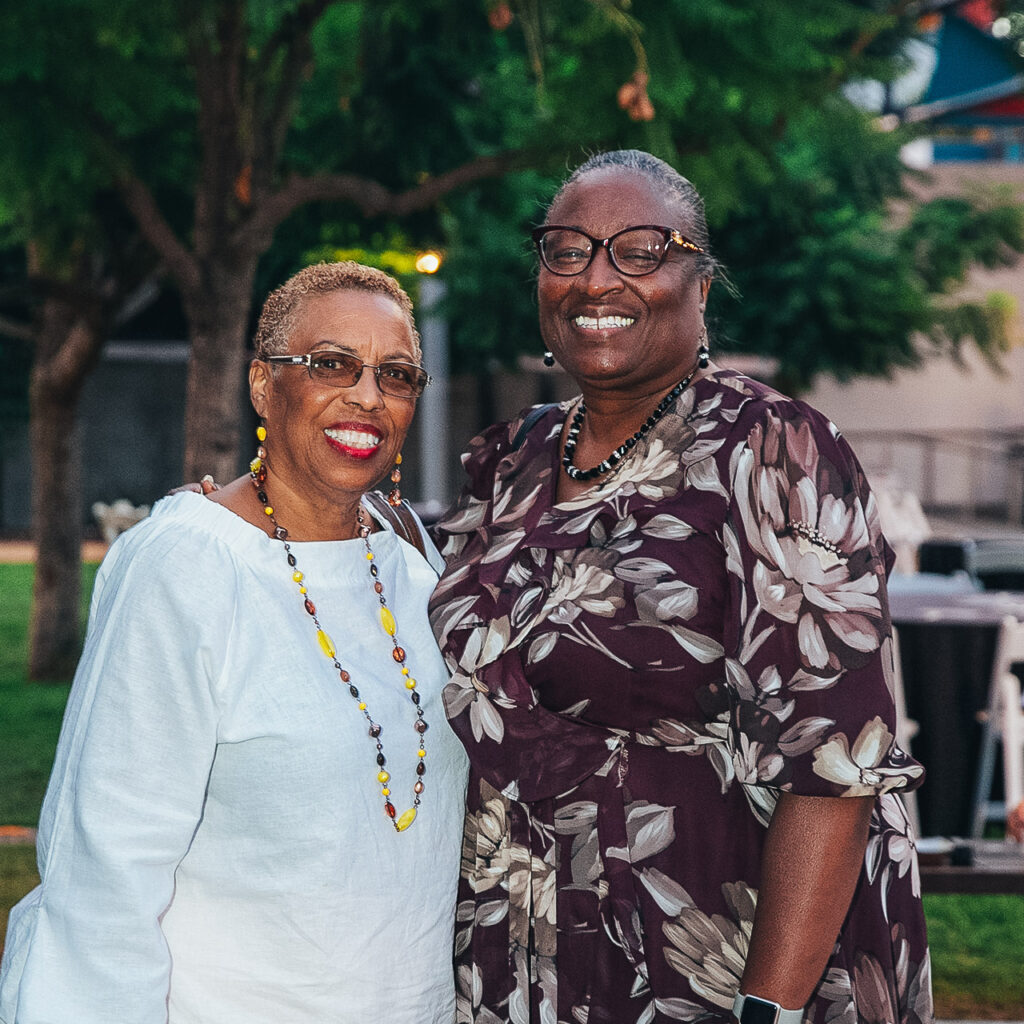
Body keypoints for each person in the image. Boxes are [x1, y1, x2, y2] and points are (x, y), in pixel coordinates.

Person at [427, 151, 932, 1024]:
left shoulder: (770, 451)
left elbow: (835, 767)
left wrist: (767, 1008)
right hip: (531, 954)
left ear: (700, 282)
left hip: (718, 959)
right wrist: (255, 498)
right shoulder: (509, 461)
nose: (595, 279)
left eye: (641, 250)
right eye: (566, 249)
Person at [0, 262, 469, 1024]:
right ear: (261, 383)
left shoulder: (414, 565)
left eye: (397, 374)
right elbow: (105, 877)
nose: (367, 396)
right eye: (331, 365)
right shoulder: (187, 567)